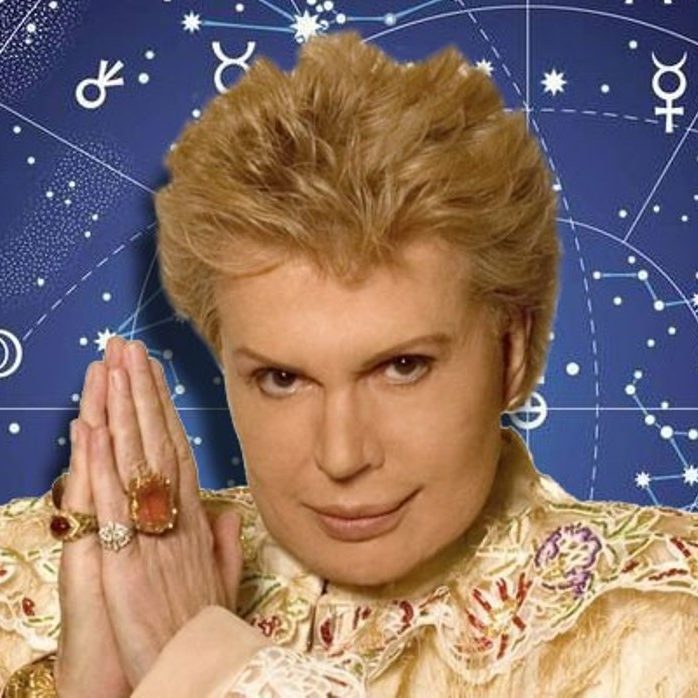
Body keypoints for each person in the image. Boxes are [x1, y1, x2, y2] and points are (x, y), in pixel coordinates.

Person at [2, 29, 698, 697]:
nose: (342, 456)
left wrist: (198, 667)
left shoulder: (666, 625)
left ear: (512, 354)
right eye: (281, 379)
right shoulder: (30, 586)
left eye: (403, 367)